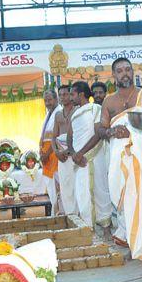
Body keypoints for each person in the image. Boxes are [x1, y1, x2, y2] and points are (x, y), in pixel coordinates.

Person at [101, 58, 142, 260]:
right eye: (120, 71)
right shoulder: (109, 101)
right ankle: (132, 241)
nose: (124, 73)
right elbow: (100, 128)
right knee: (125, 201)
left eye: (128, 69)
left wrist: (132, 135)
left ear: (133, 72)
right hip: (119, 158)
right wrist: (112, 130)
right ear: (113, 75)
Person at [67, 81, 112, 231]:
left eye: (72, 94)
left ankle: (106, 228)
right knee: (82, 193)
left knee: (100, 190)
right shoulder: (74, 114)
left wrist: (81, 153)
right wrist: (74, 154)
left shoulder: (95, 109)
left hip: (95, 157)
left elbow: (99, 134)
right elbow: (70, 138)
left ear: (81, 94)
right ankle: (88, 229)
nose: (70, 97)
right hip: (79, 161)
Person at [52, 84, 77, 215]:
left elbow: (78, 135)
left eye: (65, 94)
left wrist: (68, 151)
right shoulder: (57, 115)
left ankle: (80, 216)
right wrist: (56, 152)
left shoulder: (77, 111)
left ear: (71, 95)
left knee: (76, 185)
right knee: (65, 186)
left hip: (75, 154)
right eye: (60, 95)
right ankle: (69, 215)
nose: (62, 97)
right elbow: (53, 136)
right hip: (61, 157)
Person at [39, 88, 61, 214]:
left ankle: (60, 213)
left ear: (56, 99)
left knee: (59, 188)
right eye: (45, 100)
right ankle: (56, 211)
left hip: (55, 156)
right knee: (52, 188)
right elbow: (44, 137)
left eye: (50, 100)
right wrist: (42, 153)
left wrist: (46, 154)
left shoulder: (59, 112)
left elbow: (56, 137)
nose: (47, 103)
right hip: (47, 157)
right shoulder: (48, 114)